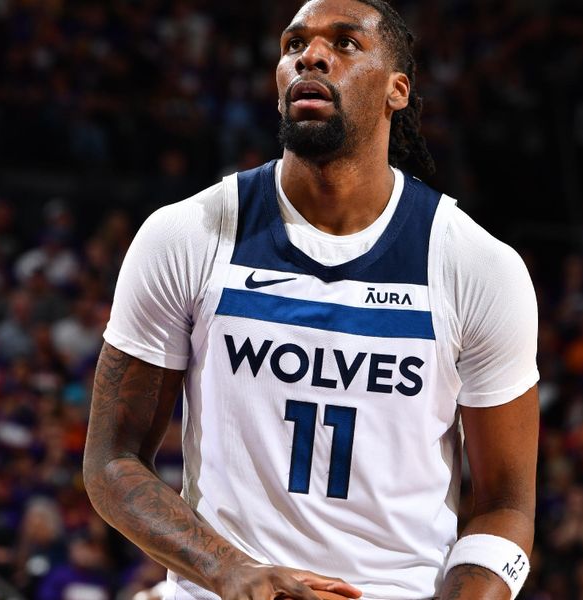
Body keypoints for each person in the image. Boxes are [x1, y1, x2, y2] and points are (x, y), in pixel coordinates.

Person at [83, 0, 539, 599]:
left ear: (396, 90)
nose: (311, 56)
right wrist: (230, 571)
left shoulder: (476, 266)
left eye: (345, 43)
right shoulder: (187, 235)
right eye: (294, 44)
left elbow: (507, 504)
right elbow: (111, 462)